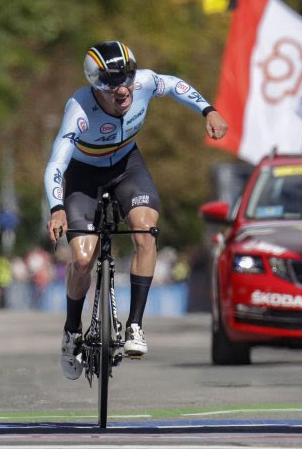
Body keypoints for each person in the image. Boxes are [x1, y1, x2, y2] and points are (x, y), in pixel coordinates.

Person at [44, 41, 228, 380]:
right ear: (95, 84)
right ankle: (71, 330)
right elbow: (56, 163)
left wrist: (208, 110)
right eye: (112, 83)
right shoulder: (79, 111)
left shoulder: (144, 83)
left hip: (127, 167)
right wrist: (57, 208)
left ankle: (135, 326)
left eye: (127, 78)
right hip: (84, 177)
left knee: (145, 231)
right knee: (83, 259)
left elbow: (174, 85)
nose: (123, 89)